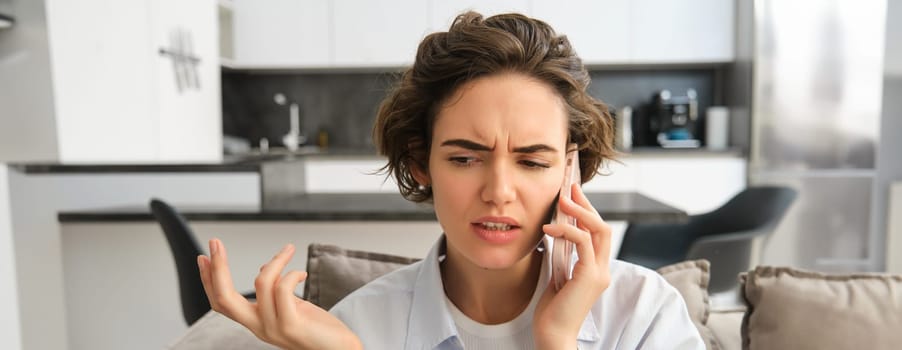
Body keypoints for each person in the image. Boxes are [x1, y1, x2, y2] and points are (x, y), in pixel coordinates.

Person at [197, 11, 705, 350]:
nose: (499, 191)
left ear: (569, 169)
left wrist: (558, 343)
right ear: (421, 163)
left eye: (532, 161)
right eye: (465, 158)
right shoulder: (356, 329)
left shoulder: (644, 315)